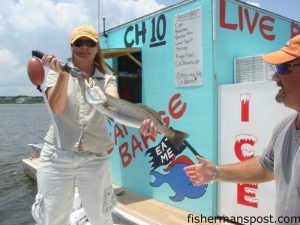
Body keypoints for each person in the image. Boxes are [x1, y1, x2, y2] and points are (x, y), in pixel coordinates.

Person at [31, 25, 157, 225]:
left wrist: (144, 124)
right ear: (71, 47)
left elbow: (114, 107)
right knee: (53, 218)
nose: (84, 47)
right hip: (57, 154)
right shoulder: (55, 73)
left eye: (90, 42)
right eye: (79, 42)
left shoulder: (107, 78)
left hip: (94, 157)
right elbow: (56, 107)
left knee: (101, 218)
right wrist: (63, 75)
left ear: (97, 48)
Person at [184, 34, 300, 225]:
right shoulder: (285, 127)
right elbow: (266, 166)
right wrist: (215, 172)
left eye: (282, 67)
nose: (274, 76)